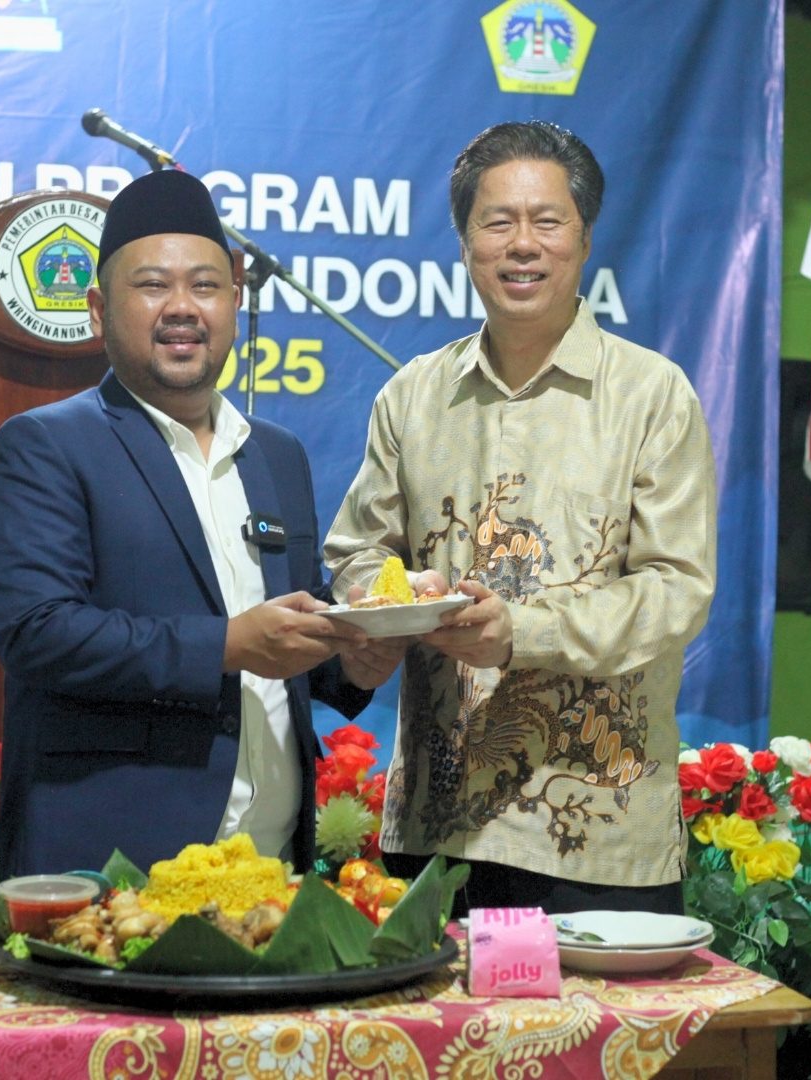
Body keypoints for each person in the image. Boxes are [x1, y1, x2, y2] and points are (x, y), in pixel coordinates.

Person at [322, 121, 717, 914]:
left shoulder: (652, 394)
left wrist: (521, 631)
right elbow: (357, 552)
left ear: (585, 237)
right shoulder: (413, 395)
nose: (522, 245)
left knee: (601, 1041)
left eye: (547, 221)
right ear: (466, 242)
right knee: (436, 1041)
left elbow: (677, 590)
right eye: (497, 222)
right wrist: (396, 595)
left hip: (600, 836)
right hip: (439, 834)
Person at [0, 169, 394, 878]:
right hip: (115, 866)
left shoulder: (277, 455)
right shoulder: (47, 444)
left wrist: (357, 656)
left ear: (235, 301)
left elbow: (290, 641)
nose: (181, 308)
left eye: (204, 286)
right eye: (151, 286)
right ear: (98, 307)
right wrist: (228, 644)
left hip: (270, 872)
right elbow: (39, 633)